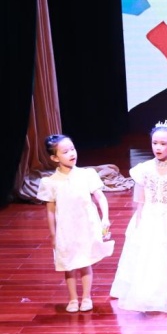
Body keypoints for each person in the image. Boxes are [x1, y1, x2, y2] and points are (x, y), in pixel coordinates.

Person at [110, 121, 167, 313]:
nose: (158, 147)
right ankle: (146, 289)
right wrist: (139, 217)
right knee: (147, 252)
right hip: (149, 215)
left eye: (163, 144)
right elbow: (140, 198)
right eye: (155, 143)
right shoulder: (144, 169)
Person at [38, 134, 113, 313]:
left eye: (72, 149)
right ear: (55, 158)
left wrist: (105, 218)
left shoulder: (87, 174)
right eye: (65, 152)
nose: (72, 153)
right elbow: (50, 211)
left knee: (85, 260)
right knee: (69, 263)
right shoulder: (50, 182)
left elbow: (100, 197)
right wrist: (53, 234)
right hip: (66, 229)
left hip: (86, 225)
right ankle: (72, 298)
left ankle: (86, 297)